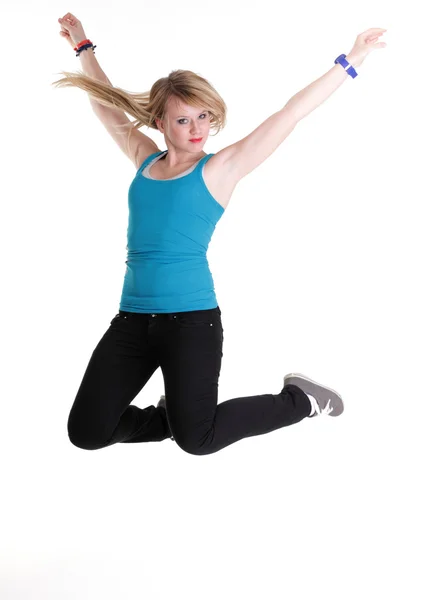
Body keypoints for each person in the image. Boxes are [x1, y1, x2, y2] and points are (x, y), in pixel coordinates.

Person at [53, 13, 386, 454]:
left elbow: (291, 114)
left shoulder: (220, 169)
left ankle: (300, 400)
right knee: (87, 432)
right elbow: (106, 104)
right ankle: (169, 418)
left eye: (203, 117)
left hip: (191, 322)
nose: (196, 130)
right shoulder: (145, 160)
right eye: (183, 121)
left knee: (199, 440)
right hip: (132, 321)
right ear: (159, 123)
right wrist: (83, 47)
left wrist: (352, 59)